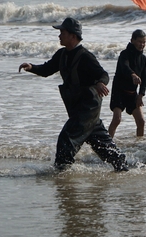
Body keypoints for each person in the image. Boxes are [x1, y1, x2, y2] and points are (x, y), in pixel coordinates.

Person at [18, 17, 128, 171]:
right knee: (103, 146)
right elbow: (47, 69)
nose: (59, 35)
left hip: (88, 107)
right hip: (77, 108)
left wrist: (100, 83)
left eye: (62, 32)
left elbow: (103, 74)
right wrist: (31, 67)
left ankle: (61, 173)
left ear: (73, 35)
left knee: (66, 137)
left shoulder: (85, 56)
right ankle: (123, 168)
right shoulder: (61, 54)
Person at [108, 29, 146, 138]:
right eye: (139, 41)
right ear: (132, 40)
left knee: (141, 122)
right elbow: (125, 67)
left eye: (144, 42)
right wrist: (133, 75)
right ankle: (107, 144)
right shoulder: (124, 54)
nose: (142, 45)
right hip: (119, 92)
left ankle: (139, 145)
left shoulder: (143, 59)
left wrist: (141, 95)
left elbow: (144, 78)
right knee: (117, 120)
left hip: (132, 94)